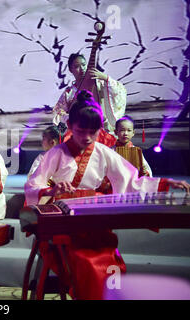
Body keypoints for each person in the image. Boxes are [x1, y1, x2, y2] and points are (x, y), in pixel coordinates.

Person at [25, 90, 190, 300]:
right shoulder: (56, 153)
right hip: (65, 220)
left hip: (94, 216)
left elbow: (131, 181)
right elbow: (33, 185)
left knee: (109, 256)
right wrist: (52, 190)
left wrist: (166, 183)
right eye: (80, 130)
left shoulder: (103, 151)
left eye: (93, 132)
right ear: (70, 127)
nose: (87, 137)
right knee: (84, 260)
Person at [52, 53, 127, 133]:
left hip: (101, 129)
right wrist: (73, 118)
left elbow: (120, 91)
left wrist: (106, 78)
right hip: (79, 131)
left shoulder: (100, 85)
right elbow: (58, 112)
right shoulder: (69, 92)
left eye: (84, 65)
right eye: (77, 66)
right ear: (70, 70)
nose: (82, 69)